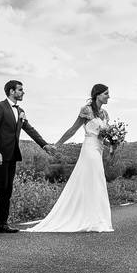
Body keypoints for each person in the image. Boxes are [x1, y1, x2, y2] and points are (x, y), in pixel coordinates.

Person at [24, 84, 114, 233]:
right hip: (90, 149)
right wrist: (56, 145)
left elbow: (103, 137)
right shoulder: (87, 110)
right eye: (106, 94)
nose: (108, 96)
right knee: (94, 180)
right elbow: (73, 130)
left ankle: (96, 218)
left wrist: (113, 145)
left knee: (96, 181)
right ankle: (89, 218)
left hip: (99, 149)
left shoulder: (105, 114)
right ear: (97, 95)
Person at [0, 80, 54, 233]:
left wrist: (44, 145)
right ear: (11, 91)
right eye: (20, 90)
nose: (23, 92)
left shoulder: (20, 110)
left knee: (7, 189)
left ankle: (2, 224)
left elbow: (29, 129)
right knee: (0, 185)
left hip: (13, 154)